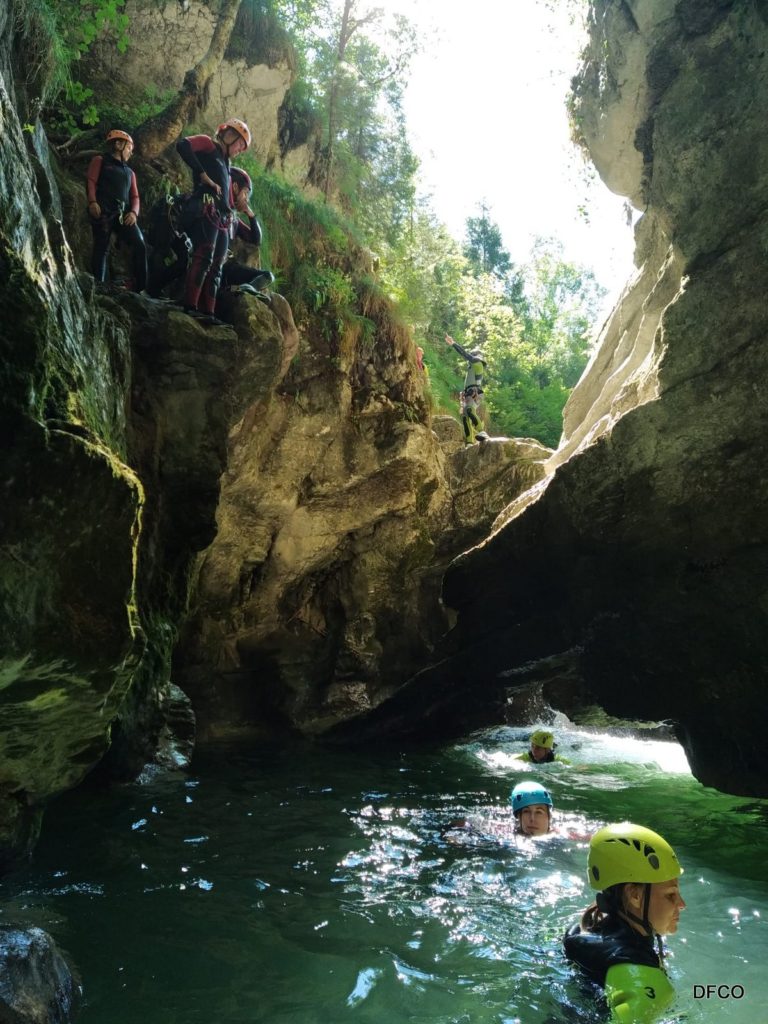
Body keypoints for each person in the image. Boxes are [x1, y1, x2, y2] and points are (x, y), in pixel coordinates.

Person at [563, 823, 686, 1023]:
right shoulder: (640, 978)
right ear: (634, 895)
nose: (682, 904)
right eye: (670, 895)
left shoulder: (583, 928)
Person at [175, 118, 251, 325]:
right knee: (204, 257)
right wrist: (202, 175)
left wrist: (242, 198)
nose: (240, 150)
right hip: (205, 208)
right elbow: (183, 145)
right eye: (239, 144)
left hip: (222, 217)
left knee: (217, 265)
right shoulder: (208, 144)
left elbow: (238, 187)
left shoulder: (227, 164)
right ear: (229, 135)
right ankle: (190, 305)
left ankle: (208, 311)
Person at [86, 129, 147, 291]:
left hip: (123, 215)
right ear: (118, 145)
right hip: (104, 212)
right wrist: (92, 202)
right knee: (102, 247)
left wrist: (134, 213)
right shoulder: (100, 161)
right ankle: (99, 286)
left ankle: (140, 287)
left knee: (140, 244)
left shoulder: (130, 173)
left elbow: (135, 197)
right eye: (129, 148)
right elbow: (91, 181)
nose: (130, 153)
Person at [444, 334, 489, 444]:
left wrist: (453, 343)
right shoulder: (472, 368)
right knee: (465, 417)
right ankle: (469, 442)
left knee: (469, 410)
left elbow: (465, 354)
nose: (469, 360)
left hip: (475, 392)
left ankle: (482, 431)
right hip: (469, 393)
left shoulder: (477, 363)